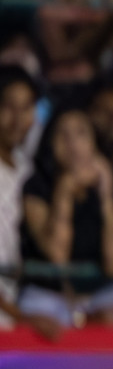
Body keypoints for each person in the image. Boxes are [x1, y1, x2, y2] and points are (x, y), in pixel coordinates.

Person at [19, 108, 113, 325]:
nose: (72, 144)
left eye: (81, 134)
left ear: (94, 143)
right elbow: (58, 258)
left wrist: (106, 197)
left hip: (94, 296)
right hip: (45, 296)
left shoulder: (105, 189)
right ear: (50, 143)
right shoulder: (35, 187)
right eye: (63, 135)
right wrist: (64, 192)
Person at [0, 66, 38, 313]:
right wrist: (22, 319)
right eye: (8, 107)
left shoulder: (29, 170)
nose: (18, 119)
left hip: (17, 302)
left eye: (26, 108)